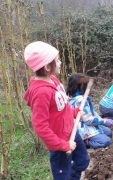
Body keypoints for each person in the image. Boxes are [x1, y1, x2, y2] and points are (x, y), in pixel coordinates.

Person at [23, 41, 89, 180]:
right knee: (62, 176)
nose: (60, 63)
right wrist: (63, 145)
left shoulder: (53, 80)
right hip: (59, 145)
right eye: (57, 60)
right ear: (47, 66)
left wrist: (74, 112)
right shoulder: (41, 92)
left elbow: (61, 108)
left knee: (83, 161)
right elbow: (40, 126)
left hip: (71, 131)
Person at [66, 73, 113, 149]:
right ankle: (85, 142)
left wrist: (102, 120)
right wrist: (104, 122)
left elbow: (92, 113)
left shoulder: (75, 97)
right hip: (82, 129)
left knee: (108, 132)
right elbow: (88, 120)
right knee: (106, 141)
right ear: (82, 86)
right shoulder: (80, 100)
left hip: (86, 124)